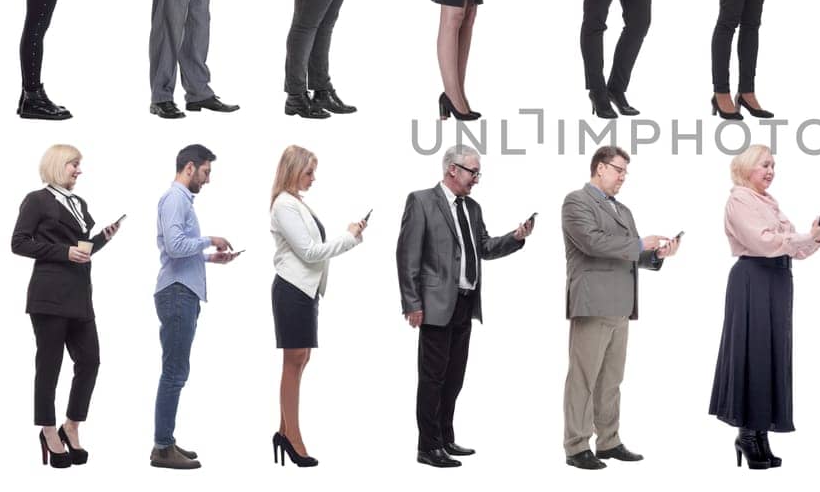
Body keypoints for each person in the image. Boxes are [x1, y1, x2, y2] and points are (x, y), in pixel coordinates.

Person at [395, 145, 532, 467]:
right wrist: (411, 303)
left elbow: (483, 248)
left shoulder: (472, 208)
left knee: (454, 376)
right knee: (433, 378)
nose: (477, 179)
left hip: (465, 302)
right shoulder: (422, 201)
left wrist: (516, 237)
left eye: (478, 173)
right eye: (473, 172)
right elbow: (407, 256)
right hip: (433, 305)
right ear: (452, 169)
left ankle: (445, 438)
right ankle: (427, 447)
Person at [707, 145, 820, 469]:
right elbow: (764, 242)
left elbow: (793, 249)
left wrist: (814, 237)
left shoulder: (769, 203)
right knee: (753, 352)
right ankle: (747, 434)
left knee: (773, 355)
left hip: (778, 279)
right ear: (746, 169)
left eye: (773, 165)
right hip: (754, 279)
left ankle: (760, 433)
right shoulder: (740, 199)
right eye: (764, 165)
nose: (771, 171)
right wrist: (798, 238)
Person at [562, 145, 678, 469]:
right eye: (618, 170)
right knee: (583, 379)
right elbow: (592, 243)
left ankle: (609, 441)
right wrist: (640, 244)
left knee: (611, 380)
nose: (623, 177)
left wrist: (656, 255)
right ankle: (576, 447)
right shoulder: (576, 201)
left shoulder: (623, 211)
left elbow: (632, 253)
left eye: (626, 172)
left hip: (622, 306)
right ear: (600, 168)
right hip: (593, 303)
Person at [11, 144, 122, 467]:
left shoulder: (78, 202)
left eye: (79, 165)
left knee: (90, 361)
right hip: (49, 295)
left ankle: (71, 424)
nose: (79, 170)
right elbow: (19, 242)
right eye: (74, 164)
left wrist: (103, 238)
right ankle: (47, 430)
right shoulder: (37, 200)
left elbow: (81, 248)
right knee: (49, 366)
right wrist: (63, 253)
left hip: (79, 295)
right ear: (58, 165)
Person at [269, 145, 366, 466]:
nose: (313, 178)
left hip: (306, 291)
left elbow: (312, 250)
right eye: (308, 171)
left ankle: (284, 432)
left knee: (300, 360)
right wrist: (350, 238)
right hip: (292, 290)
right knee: (293, 363)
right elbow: (310, 251)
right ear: (293, 170)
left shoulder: (296, 203)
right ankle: (293, 440)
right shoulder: (284, 205)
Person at [150, 144, 237, 469]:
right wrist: (209, 240)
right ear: (190, 167)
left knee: (177, 371)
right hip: (176, 294)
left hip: (182, 291)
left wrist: (210, 258)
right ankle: (161, 447)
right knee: (173, 373)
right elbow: (173, 247)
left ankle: (166, 442)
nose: (208, 179)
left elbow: (179, 251)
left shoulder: (182, 201)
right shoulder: (175, 199)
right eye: (206, 171)